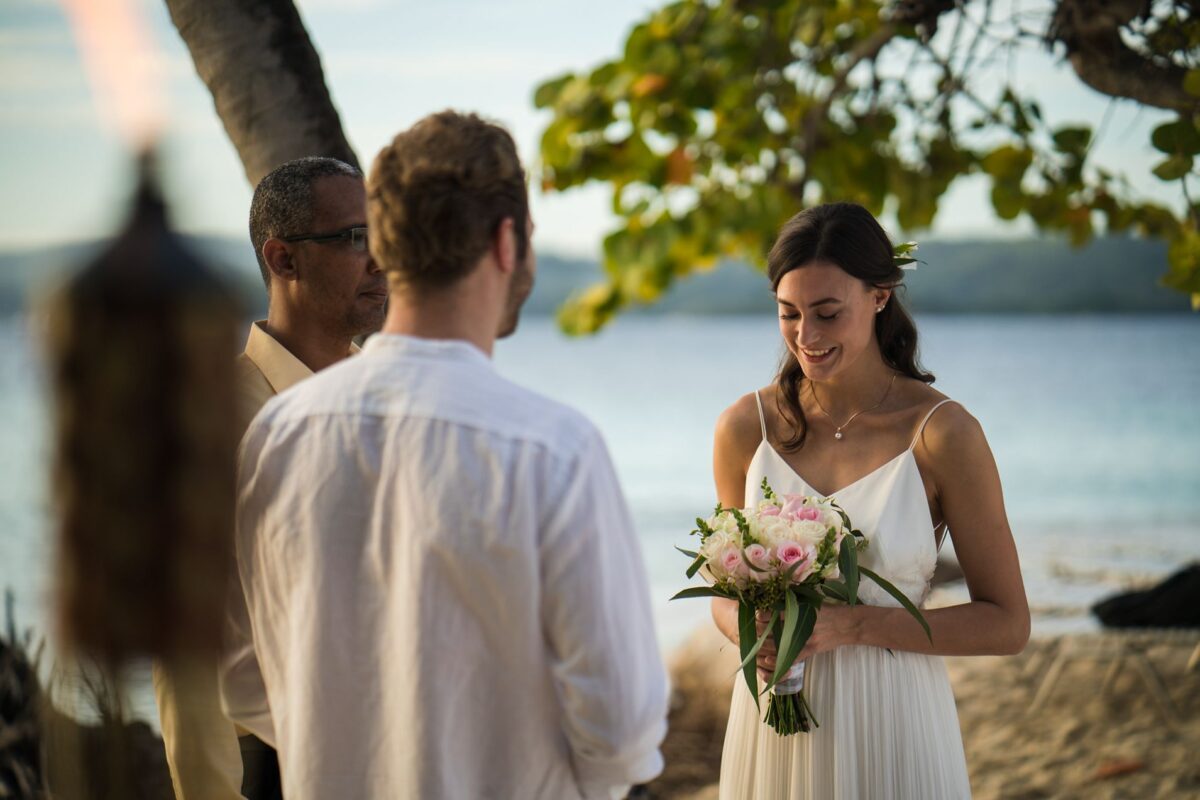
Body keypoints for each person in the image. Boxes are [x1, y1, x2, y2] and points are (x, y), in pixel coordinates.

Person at [219, 111, 669, 799]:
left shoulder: (277, 436)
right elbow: (624, 729)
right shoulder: (552, 450)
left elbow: (246, 679)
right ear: (507, 240)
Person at [710, 203, 1029, 798]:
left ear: (880, 296)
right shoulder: (743, 429)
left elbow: (1007, 624)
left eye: (828, 313)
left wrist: (852, 625)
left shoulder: (942, 433)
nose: (807, 336)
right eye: (789, 314)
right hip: (770, 732)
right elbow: (723, 602)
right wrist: (750, 630)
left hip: (894, 721)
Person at [152, 156, 386, 800]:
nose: (381, 261)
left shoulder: (396, 404)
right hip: (274, 766)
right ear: (283, 260)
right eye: (355, 239)